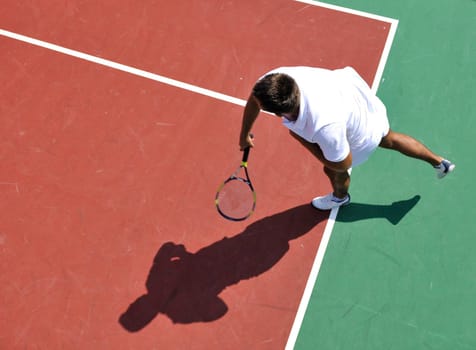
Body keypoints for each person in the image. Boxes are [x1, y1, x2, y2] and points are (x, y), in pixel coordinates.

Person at [239, 66, 455, 210]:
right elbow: (255, 99)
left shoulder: (323, 126)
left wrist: (302, 139)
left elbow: (344, 162)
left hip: (358, 131)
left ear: (278, 112)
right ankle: (440, 163)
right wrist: (244, 134)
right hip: (352, 95)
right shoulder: (277, 80)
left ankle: (340, 198)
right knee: (388, 138)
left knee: (332, 169)